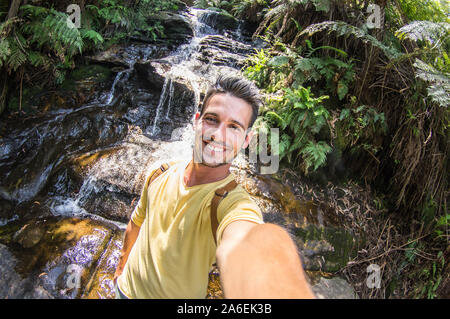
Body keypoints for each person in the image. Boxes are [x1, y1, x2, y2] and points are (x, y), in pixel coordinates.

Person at [113, 74, 315, 299]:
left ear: (246, 140)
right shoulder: (160, 172)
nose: (218, 135)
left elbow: (246, 240)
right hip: (124, 290)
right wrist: (121, 267)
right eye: (212, 119)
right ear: (197, 121)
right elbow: (136, 222)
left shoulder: (232, 205)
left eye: (234, 127)